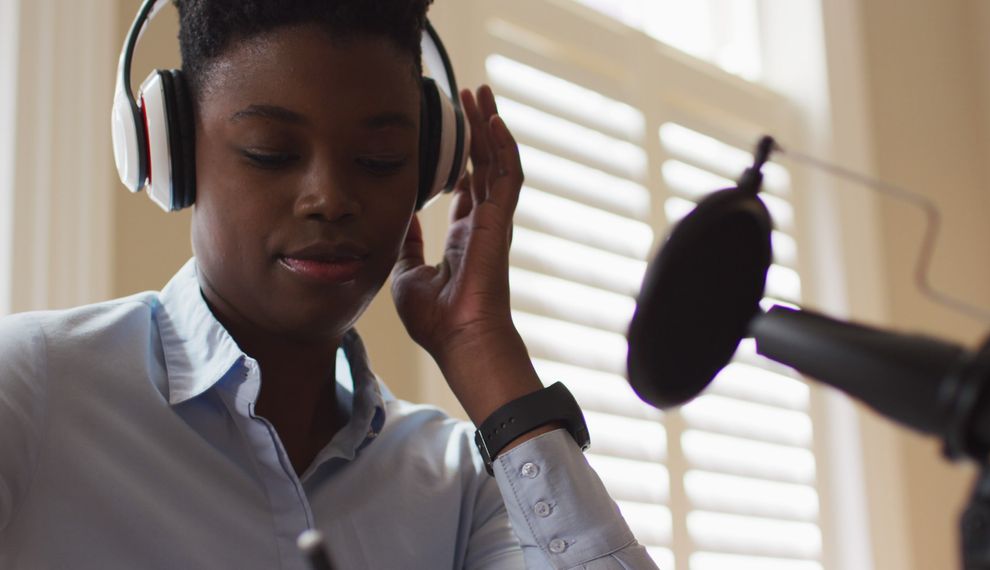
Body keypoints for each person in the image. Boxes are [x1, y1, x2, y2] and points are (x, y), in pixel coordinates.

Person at [0, 0, 657, 568]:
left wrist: (481, 346)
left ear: (429, 169)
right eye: (270, 152)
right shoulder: (29, 392)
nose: (330, 199)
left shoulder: (460, 485)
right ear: (168, 151)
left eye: (380, 162)